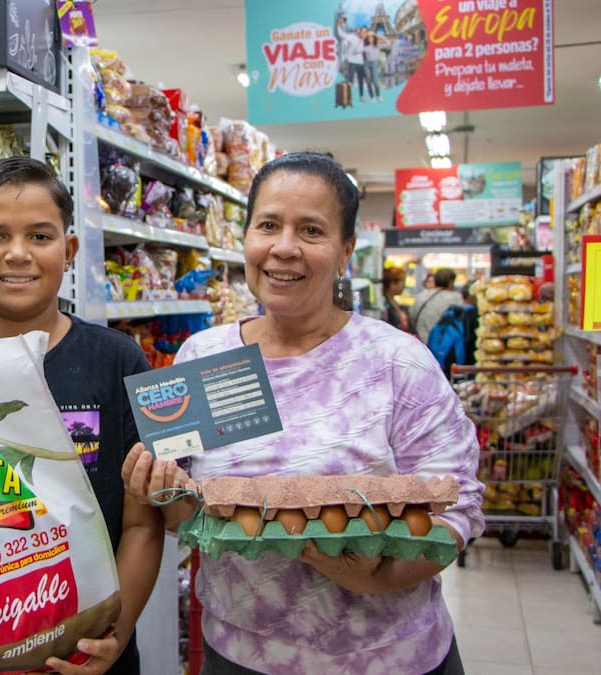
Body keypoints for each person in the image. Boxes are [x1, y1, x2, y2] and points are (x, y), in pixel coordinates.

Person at [122, 152, 484, 674]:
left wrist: (375, 577)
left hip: (386, 658)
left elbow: (458, 507)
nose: (284, 248)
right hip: (240, 653)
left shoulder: (397, 360)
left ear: (345, 252)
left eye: (311, 230)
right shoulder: (204, 356)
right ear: (245, 237)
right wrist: (161, 495)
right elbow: (196, 519)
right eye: (268, 225)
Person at [0, 157, 164, 674]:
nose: (18, 254)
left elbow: (143, 522)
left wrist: (114, 634)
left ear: (68, 251)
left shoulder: (119, 360)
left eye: (40, 237)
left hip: (89, 650)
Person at [411, 268, 461, 343]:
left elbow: (412, 316)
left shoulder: (420, 296)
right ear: (451, 282)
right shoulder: (455, 298)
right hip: (442, 346)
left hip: (420, 343)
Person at [381, 265, 413, 333]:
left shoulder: (393, 303)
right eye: (403, 282)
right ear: (393, 283)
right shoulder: (384, 305)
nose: (404, 285)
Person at [362, 34, 382, 101]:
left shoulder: (378, 46)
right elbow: (357, 49)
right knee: (368, 81)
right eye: (369, 38)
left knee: (375, 81)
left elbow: (388, 43)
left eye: (372, 38)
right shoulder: (365, 47)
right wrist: (362, 39)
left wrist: (381, 37)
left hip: (374, 63)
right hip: (366, 64)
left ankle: (378, 96)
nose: (370, 39)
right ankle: (372, 97)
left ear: (374, 39)